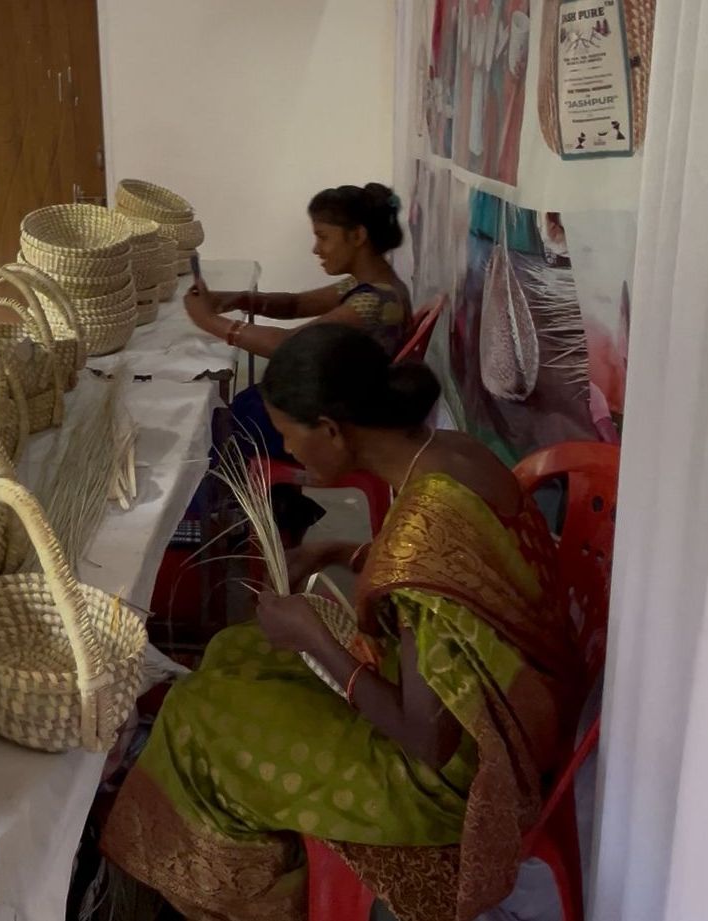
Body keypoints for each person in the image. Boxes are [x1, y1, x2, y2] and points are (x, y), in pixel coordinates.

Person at [101, 326, 582, 921]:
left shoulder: (422, 537)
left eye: (288, 433)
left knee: (198, 720)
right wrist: (340, 553)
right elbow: (460, 587)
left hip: (463, 780)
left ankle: (243, 897)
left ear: (331, 429)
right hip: (519, 705)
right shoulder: (452, 455)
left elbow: (428, 743)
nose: (288, 448)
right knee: (235, 649)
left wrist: (318, 640)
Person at [183, 183, 412, 360]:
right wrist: (237, 299)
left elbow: (290, 346)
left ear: (357, 236)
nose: (316, 249)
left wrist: (207, 320)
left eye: (323, 237)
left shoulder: (374, 302)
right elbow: (297, 304)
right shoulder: (372, 285)